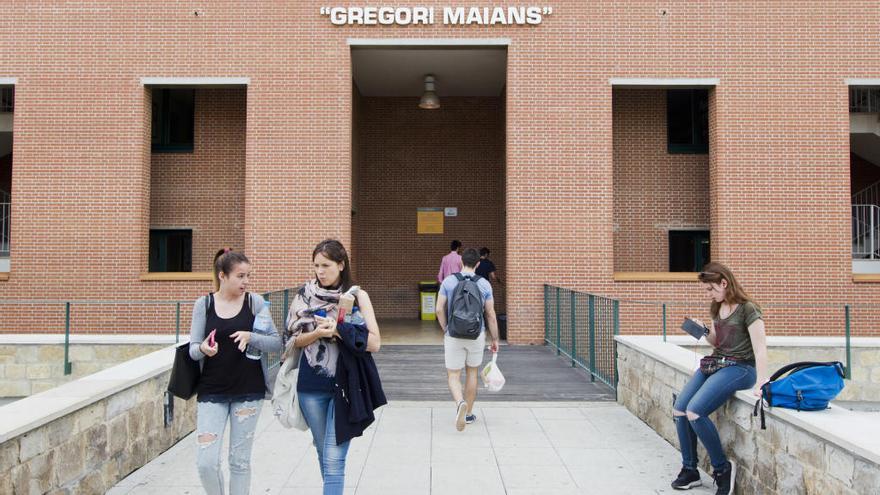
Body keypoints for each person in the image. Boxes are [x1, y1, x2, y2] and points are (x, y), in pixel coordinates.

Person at [284, 239, 383, 495]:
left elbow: (374, 343)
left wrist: (340, 330)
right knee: (323, 451)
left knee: (333, 459)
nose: (320, 271)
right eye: (316, 265)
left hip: (346, 386)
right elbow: (293, 340)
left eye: (326, 265)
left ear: (341, 265)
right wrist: (317, 333)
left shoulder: (357, 296)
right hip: (311, 386)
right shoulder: (304, 296)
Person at [189, 248, 282, 495]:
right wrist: (204, 349)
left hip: (248, 392)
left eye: (248, 275)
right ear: (223, 276)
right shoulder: (204, 304)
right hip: (211, 392)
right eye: (240, 276)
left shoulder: (256, 303)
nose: (246, 281)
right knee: (206, 463)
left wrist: (251, 336)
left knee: (239, 463)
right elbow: (191, 349)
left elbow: (275, 343)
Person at [670, 262, 768, 495]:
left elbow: (761, 348)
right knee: (680, 409)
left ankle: (722, 469)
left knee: (695, 411)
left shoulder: (748, 309)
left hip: (741, 368)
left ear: (724, 283)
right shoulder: (716, 308)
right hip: (716, 363)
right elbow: (717, 342)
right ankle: (690, 470)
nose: (709, 294)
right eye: (706, 290)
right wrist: (703, 331)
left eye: (711, 289)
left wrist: (763, 382)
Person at [435, 247, 500, 431]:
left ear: (461, 262)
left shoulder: (449, 281)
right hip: (476, 334)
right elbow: (491, 314)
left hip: (454, 334)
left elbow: (439, 309)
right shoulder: (484, 284)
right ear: (478, 264)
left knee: (453, 375)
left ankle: (459, 403)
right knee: (472, 372)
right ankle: (469, 413)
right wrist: (495, 339)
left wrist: (446, 328)